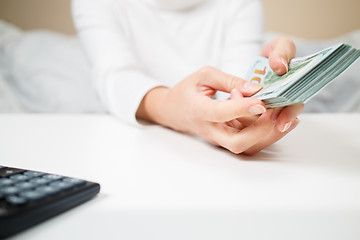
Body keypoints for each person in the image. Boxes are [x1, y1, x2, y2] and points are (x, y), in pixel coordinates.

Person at [71, 0, 304, 155]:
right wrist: (173, 107)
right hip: (128, 149)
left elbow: (236, 94)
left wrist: (256, 90)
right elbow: (116, 77)